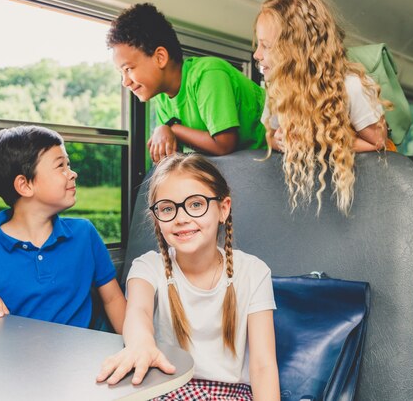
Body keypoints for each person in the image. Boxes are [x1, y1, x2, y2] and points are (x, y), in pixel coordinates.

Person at [96, 154, 279, 401]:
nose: (181, 218)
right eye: (168, 208)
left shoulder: (253, 271)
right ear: (156, 218)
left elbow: (263, 366)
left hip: (230, 394)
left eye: (195, 204)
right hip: (164, 387)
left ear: (223, 209)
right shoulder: (147, 267)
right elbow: (137, 313)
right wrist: (140, 344)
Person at [0, 126, 125, 333]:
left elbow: (113, 299)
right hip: (11, 361)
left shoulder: (84, 234)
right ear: (25, 185)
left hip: (81, 359)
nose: (73, 173)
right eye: (60, 166)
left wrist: (137, 347)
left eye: (69, 164)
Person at [254, 0, 395, 215]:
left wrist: (318, 140)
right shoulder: (278, 89)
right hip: (320, 191)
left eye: (266, 46)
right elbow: (270, 135)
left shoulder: (351, 86)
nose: (256, 54)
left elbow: (378, 141)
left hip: (368, 189)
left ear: (297, 49)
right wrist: (279, 141)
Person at [107, 3, 267, 163]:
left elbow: (224, 145)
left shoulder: (208, 74)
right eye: (121, 73)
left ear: (160, 57)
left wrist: (172, 128)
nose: (125, 82)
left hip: (265, 155)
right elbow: (172, 153)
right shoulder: (162, 98)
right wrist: (162, 131)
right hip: (231, 163)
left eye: (128, 69)